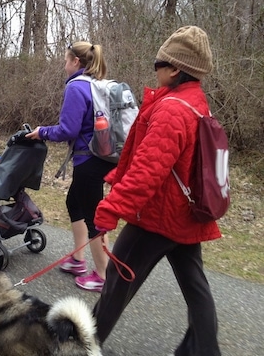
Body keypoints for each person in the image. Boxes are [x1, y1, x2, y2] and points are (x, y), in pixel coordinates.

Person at [93, 26, 221, 355]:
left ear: (175, 68)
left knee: (116, 283)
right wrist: (118, 174)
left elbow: (149, 171)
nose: (156, 69)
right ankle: (205, 350)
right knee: (196, 287)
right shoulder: (195, 102)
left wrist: (111, 209)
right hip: (185, 215)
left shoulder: (173, 110)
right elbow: (160, 158)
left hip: (158, 216)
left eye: (158, 63)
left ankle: (83, 343)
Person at [26, 42, 116, 292]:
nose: (64, 65)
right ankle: (78, 260)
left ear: (76, 62)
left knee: (93, 217)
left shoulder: (77, 86)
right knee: (74, 203)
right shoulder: (98, 84)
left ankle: (102, 275)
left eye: (66, 60)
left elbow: (69, 130)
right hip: (98, 156)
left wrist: (41, 132)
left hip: (90, 160)